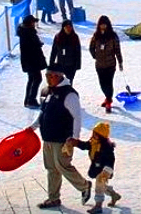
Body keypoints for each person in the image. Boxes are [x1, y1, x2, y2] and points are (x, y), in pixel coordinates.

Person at [31, 65, 91, 210]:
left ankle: (84, 185)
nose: (48, 79)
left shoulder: (69, 94)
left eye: (51, 76)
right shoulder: (45, 91)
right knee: (51, 168)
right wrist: (32, 127)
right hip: (47, 138)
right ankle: (53, 198)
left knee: (63, 165)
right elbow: (43, 113)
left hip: (63, 140)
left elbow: (77, 117)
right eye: (47, 76)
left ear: (59, 76)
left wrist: (75, 138)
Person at [73, 122, 121, 213]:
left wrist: (106, 171)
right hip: (97, 168)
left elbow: (110, 160)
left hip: (105, 170)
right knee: (102, 186)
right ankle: (114, 195)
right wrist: (76, 143)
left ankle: (98, 206)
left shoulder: (106, 147)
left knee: (99, 184)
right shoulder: (93, 143)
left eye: (96, 134)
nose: (93, 135)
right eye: (93, 132)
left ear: (101, 136)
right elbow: (85, 145)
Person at [89, 15, 123, 113]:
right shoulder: (96, 35)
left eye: (105, 24)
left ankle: (108, 101)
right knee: (102, 84)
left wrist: (120, 62)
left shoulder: (113, 36)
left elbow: (117, 50)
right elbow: (91, 47)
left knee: (109, 83)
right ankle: (108, 98)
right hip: (99, 65)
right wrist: (95, 56)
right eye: (101, 24)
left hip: (110, 64)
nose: (103, 26)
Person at [18, 15, 47, 109]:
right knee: (37, 79)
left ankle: (28, 99)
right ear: (30, 23)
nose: (34, 24)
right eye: (33, 22)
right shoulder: (28, 33)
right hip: (31, 61)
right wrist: (38, 44)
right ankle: (31, 99)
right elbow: (30, 48)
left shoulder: (27, 32)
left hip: (30, 61)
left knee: (32, 79)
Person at [50, 20, 82, 86]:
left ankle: (68, 95)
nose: (68, 28)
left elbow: (78, 52)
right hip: (60, 64)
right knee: (60, 83)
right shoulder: (58, 37)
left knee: (69, 82)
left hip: (71, 65)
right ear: (63, 27)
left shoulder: (75, 37)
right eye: (66, 27)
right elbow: (54, 51)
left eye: (70, 27)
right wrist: (51, 63)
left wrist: (77, 65)